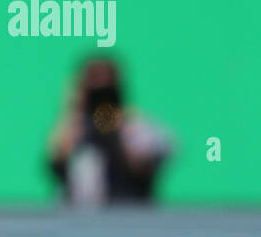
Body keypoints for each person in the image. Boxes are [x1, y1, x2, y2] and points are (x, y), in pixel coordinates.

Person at [48, 58, 173, 205]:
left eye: (106, 90)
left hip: (130, 216)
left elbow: (145, 164)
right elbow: (57, 160)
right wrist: (74, 111)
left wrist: (121, 130)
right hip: (79, 219)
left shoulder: (136, 126)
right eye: (94, 90)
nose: (101, 98)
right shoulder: (73, 126)